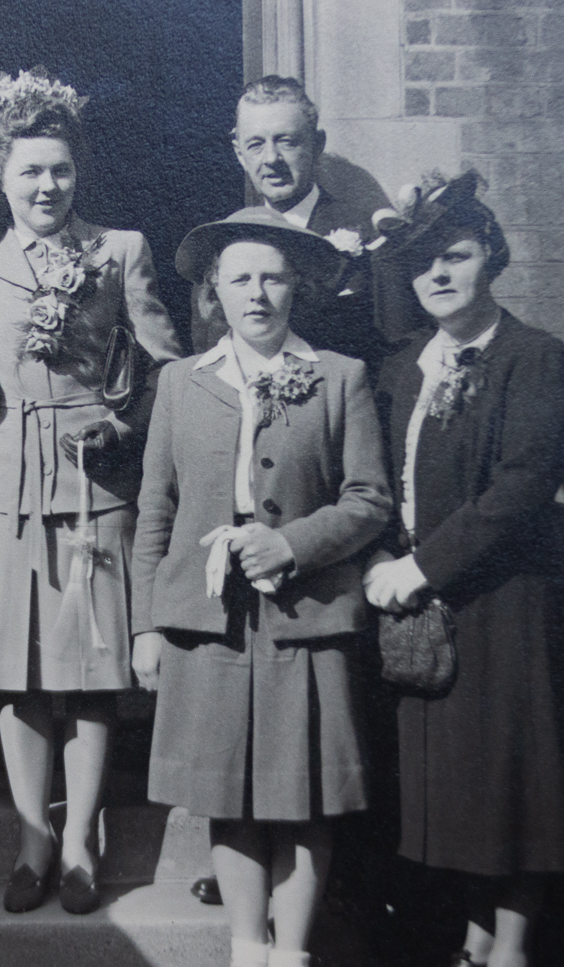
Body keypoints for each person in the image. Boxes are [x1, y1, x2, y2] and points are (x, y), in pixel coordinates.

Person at [132, 210, 391, 967]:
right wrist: (145, 625)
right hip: (207, 620)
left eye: (272, 277)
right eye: (239, 278)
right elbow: (155, 508)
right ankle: (245, 963)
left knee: (301, 799)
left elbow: (369, 500)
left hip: (304, 615)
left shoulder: (338, 377)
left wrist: (293, 543)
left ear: (297, 287)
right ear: (213, 291)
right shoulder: (182, 382)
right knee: (228, 800)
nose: (257, 293)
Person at [0, 70, 182, 915]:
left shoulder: (119, 249)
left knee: (89, 673)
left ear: (78, 171)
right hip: (6, 483)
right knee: (18, 673)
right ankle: (31, 839)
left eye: (59, 169)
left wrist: (123, 428)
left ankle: (81, 838)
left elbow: (166, 370)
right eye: (28, 171)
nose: (46, 186)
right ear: (0, 176)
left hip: (94, 485)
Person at [363, 172, 564, 967]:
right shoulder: (402, 368)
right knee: (454, 787)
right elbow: (385, 482)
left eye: (454, 256)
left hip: (500, 600)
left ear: (489, 256)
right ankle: (474, 945)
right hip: (424, 603)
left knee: (508, 781)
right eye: (422, 264)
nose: (439, 275)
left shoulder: (532, 357)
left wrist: (421, 566)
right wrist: (385, 555)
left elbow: (520, 488)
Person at [190, 75, 391, 910]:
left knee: (333, 709)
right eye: (255, 143)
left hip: (335, 503)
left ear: (316, 146)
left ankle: (336, 895)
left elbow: (388, 367)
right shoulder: (224, 251)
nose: (272, 157)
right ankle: (241, 857)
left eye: (288, 140)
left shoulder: (366, 245)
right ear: (236, 151)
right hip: (245, 528)